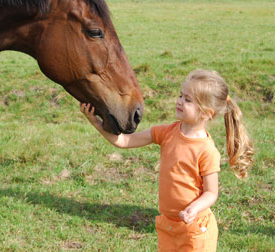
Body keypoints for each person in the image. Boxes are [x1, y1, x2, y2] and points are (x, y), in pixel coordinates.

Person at [80, 69, 254, 252]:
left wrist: (194, 208)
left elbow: (211, 193)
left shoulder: (207, 150)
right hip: (168, 227)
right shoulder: (166, 132)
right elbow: (124, 141)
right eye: (181, 95)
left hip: (195, 230)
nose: (179, 101)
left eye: (188, 100)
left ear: (206, 113)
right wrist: (96, 123)